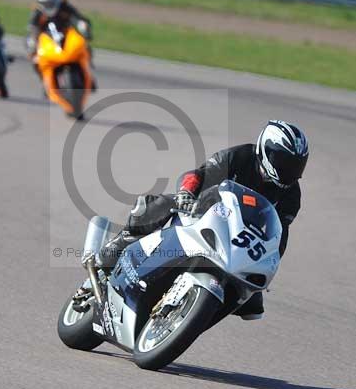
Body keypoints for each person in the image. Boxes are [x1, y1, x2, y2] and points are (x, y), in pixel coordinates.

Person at [93, 120, 309, 320]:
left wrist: (270, 261)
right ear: (265, 150)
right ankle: (119, 245)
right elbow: (200, 174)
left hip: (237, 239)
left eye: (295, 165)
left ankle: (193, 315)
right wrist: (186, 194)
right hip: (203, 212)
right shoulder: (239, 156)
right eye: (283, 161)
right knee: (158, 205)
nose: (289, 170)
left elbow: (279, 233)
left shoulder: (291, 196)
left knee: (252, 304)